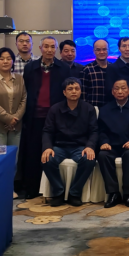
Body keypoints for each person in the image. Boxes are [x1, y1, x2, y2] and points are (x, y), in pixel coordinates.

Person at [22, 36, 70, 199]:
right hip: (34, 117)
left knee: (53, 153)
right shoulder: (30, 67)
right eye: (46, 46)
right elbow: (26, 91)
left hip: (56, 118)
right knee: (33, 153)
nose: (49, 50)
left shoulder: (64, 68)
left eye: (52, 47)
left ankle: (54, 190)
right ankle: (32, 189)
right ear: (40, 48)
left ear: (56, 49)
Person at [41, 78, 98, 207]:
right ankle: (58, 192)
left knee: (89, 160)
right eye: (70, 89)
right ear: (64, 92)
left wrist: (89, 146)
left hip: (80, 146)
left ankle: (74, 193)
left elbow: (94, 131)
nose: (74, 92)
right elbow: (47, 131)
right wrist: (47, 147)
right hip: (59, 146)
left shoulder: (89, 109)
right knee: (47, 159)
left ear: (81, 91)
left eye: (77, 89)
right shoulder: (55, 109)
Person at [97, 78, 129, 208]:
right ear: (112, 92)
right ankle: (113, 193)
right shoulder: (105, 109)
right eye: (116, 89)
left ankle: (128, 194)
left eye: (123, 88)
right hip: (112, 145)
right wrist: (104, 142)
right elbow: (101, 130)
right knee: (103, 155)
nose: (120, 91)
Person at [0, 48, 26, 165]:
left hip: (15, 126)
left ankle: (11, 178)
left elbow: (23, 99)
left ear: (13, 61)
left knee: (13, 160)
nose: (5, 61)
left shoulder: (19, 78)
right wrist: (8, 119)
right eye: (1, 59)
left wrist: (15, 118)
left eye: (8, 58)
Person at [81, 40, 118, 108]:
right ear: (93, 51)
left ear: (109, 50)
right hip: (92, 110)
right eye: (98, 50)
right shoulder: (86, 69)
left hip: (112, 109)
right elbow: (83, 94)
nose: (101, 52)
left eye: (104, 49)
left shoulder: (114, 68)